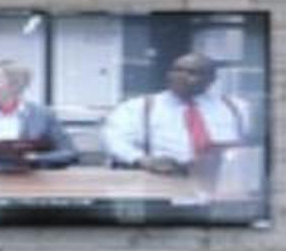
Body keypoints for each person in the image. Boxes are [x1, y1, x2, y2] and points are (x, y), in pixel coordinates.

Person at [102, 49, 250, 173]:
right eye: (176, 70)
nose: (181, 77)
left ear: (211, 79)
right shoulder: (139, 108)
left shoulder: (235, 108)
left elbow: (251, 147)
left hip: (224, 183)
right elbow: (115, 141)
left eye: (192, 72)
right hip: (164, 181)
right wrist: (142, 159)